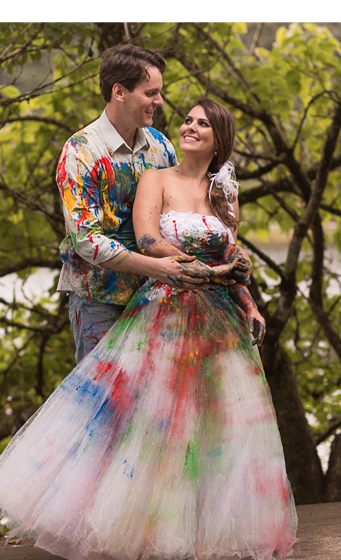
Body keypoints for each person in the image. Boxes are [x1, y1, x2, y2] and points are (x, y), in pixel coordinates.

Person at [0, 98, 297, 560]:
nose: (187, 125)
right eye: (187, 119)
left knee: (210, 423)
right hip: (162, 310)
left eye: (202, 123)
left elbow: (235, 259)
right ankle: (112, 533)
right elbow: (147, 239)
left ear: (219, 138)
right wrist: (203, 267)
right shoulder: (155, 175)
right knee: (142, 419)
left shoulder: (222, 192)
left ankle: (189, 533)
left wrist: (248, 301)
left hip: (217, 317)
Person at [55, 44, 251, 363]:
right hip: (101, 300)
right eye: (151, 93)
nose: (159, 101)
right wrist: (158, 268)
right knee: (105, 405)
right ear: (120, 92)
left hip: (160, 302)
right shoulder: (81, 151)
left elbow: (182, 213)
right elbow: (85, 241)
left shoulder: (160, 146)